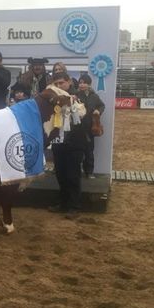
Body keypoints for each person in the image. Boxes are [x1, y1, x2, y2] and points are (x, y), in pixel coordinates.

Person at [48, 72, 84, 213]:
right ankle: (62, 203)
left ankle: (74, 206)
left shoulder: (79, 96)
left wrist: (74, 101)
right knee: (61, 175)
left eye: (61, 83)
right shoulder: (53, 99)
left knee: (73, 176)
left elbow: (83, 114)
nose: (59, 86)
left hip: (75, 142)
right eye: (56, 84)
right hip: (59, 142)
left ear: (69, 82)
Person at [75, 74, 105, 178]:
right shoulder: (76, 95)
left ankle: (89, 172)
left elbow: (102, 105)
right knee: (77, 151)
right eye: (80, 82)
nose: (82, 84)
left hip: (90, 128)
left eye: (84, 82)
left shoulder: (94, 96)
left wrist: (98, 111)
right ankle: (76, 172)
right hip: (77, 128)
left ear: (89, 84)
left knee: (89, 151)